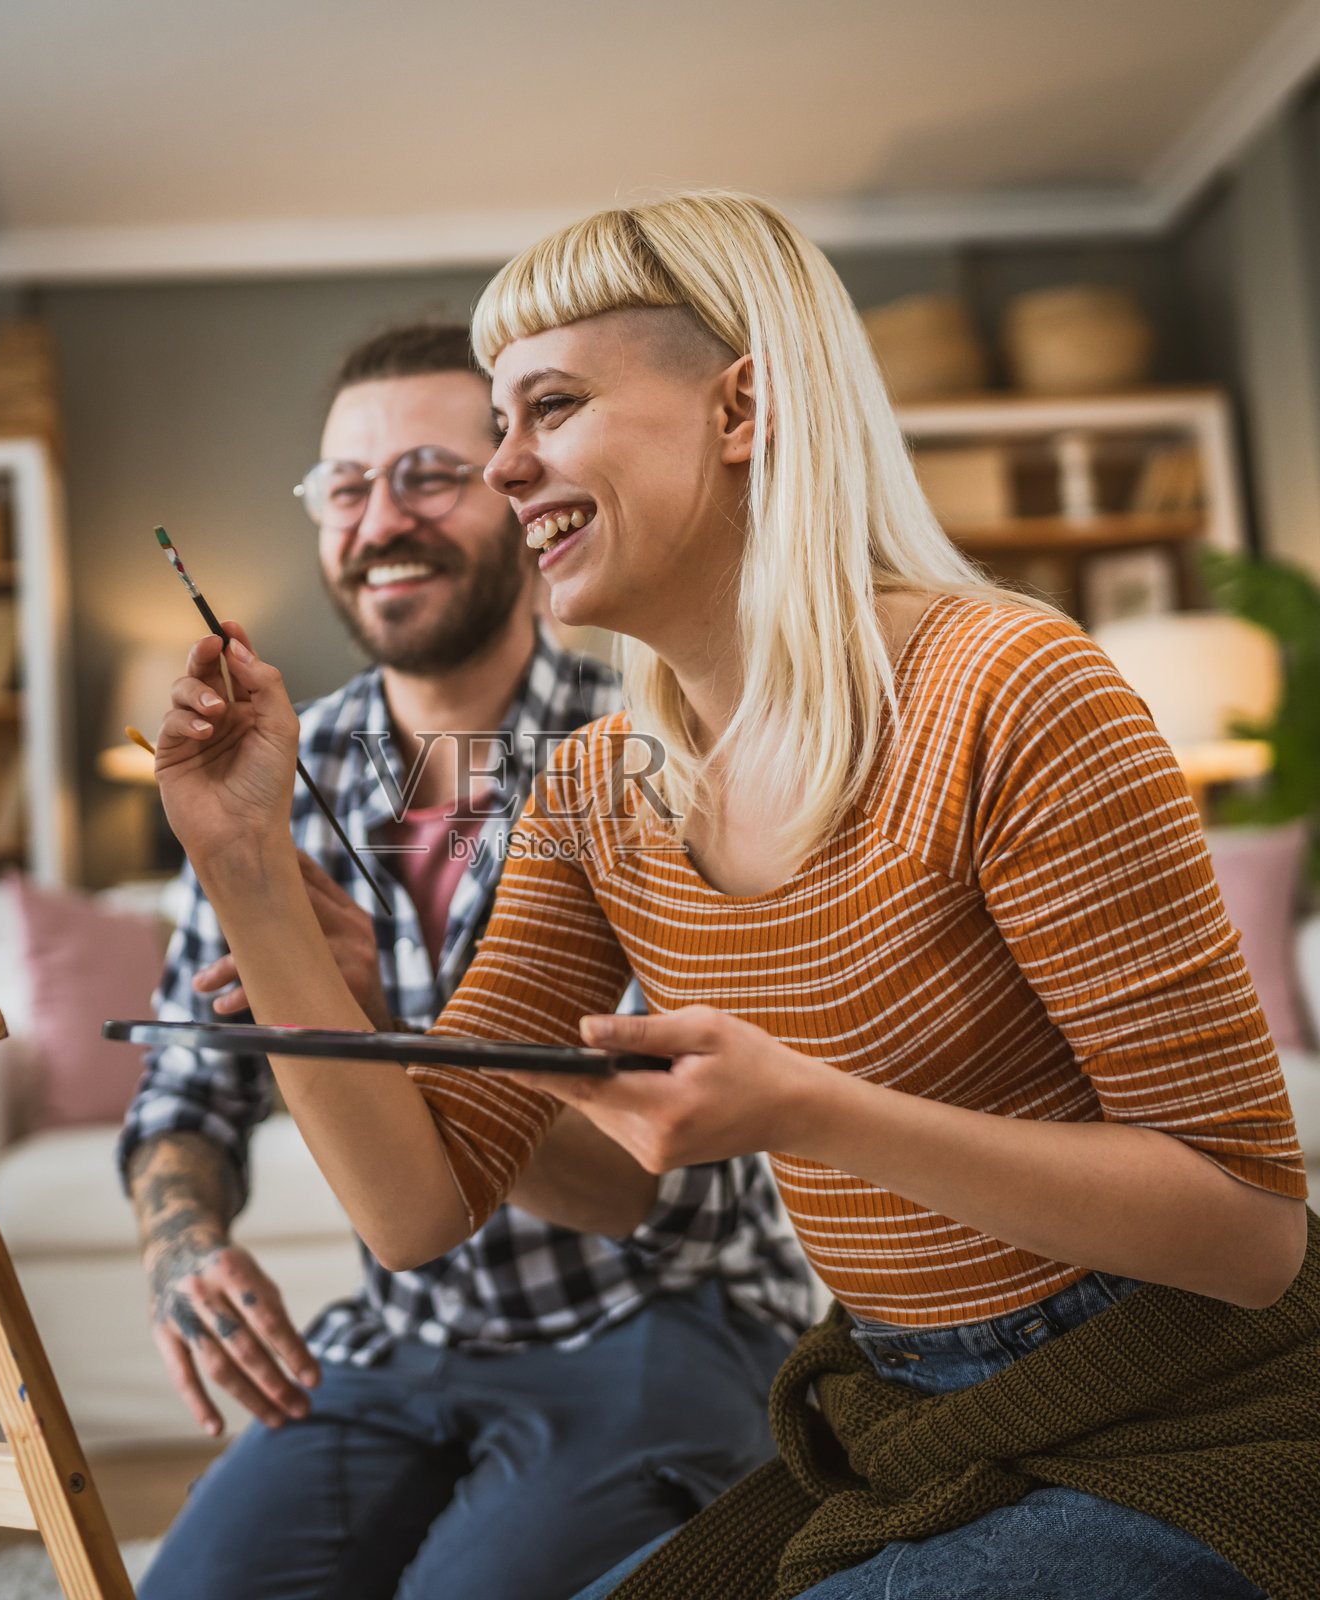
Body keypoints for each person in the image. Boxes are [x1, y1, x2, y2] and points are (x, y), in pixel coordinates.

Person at [148, 200, 1317, 1600]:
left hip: (1183, 1404)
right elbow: (417, 1206)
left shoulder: (1008, 691)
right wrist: (247, 866)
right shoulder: (596, 787)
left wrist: (806, 1108)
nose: (505, 467)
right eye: (500, 424)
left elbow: (1251, 1232)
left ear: (743, 406)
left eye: (551, 406)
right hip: (899, 1407)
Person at [122, 322, 811, 1600]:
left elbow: (657, 1186)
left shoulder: (648, 747)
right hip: (407, 1327)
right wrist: (186, 1249)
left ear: (509, 485)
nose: (381, 519)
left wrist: (394, 1027)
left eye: (428, 474)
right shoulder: (272, 770)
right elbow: (183, 1089)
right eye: (345, 486)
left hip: (662, 1319)